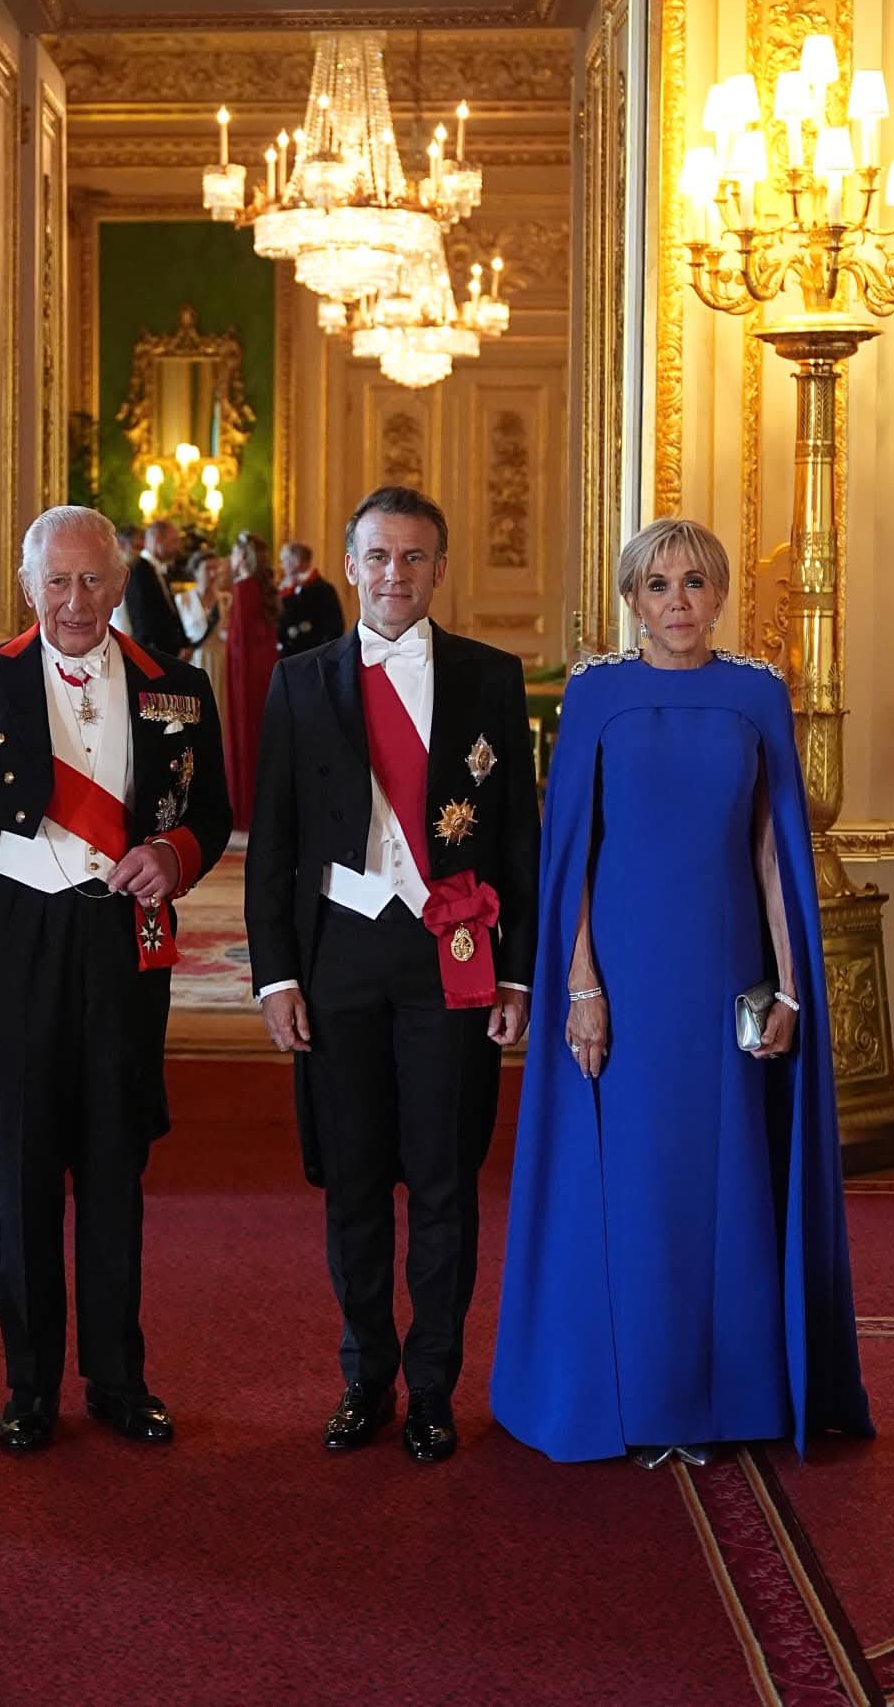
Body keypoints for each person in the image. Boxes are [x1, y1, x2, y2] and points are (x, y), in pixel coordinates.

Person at [491, 517, 873, 1468]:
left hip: (725, 977)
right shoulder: (595, 697)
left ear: (722, 593)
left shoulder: (756, 695)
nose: (678, 603)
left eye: (696, 583)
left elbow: (772, 851)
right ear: (631, 600)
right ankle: (636, 1396)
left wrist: (790, 988)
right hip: (623, 978)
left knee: (724, 1179)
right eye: (658, 586)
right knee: (633, 1182)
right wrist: (580, 984)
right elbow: (570, 853)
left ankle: (724, 1400)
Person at [0, 506, 232, 1455]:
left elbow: (212, 810)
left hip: (117, 943)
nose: (74, 600)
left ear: (120, 579)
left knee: (112, 1164)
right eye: (55, 582)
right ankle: (29, 1387)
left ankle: (118, 1378)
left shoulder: (174, 687)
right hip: (13, 942)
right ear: (29, 587)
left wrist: (173, 856)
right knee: (18, 1174)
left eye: (93, 580)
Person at [245, 486, 539, 1464]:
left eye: (414, 558)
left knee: (448, 1176)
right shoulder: (299, 679)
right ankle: (364, 1372)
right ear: (350, 563)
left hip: (452, 954)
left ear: (439, 569)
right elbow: (273, 843)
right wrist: (276, 975)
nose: (395, 575)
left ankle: (433, 1384)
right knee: (356, 1178)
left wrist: (520, 975)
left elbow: (518, 839)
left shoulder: (490, 678)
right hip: (340, 953)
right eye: (377, 556)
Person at [223, 529, 280, 833]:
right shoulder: (259, 588)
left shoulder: (244, 589)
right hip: (261, 675)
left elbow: (239, 647)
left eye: (233, 552)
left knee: (245, 735)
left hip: (245, 678)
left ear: (243, 556)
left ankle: (244, 808)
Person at [123, 518, 187, 659]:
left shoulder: (159, 569)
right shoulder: (138, 571)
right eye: (173, 541)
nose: (178, 548)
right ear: (158, 539)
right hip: (152, 655)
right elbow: (142, 618)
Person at [276, 541, 346, 659]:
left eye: (284, 561)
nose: (282, 566)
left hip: (314, 659)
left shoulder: (323, 589)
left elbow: (334, 629)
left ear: (297, 562)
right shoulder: (285, 590)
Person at [178, 548, 227, 702]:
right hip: (194, 660)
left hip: (221, 660)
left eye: (216, 568)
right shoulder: (183, 600)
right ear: (196, 571)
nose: (213, 574)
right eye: (208, 568)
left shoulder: (226, 600)